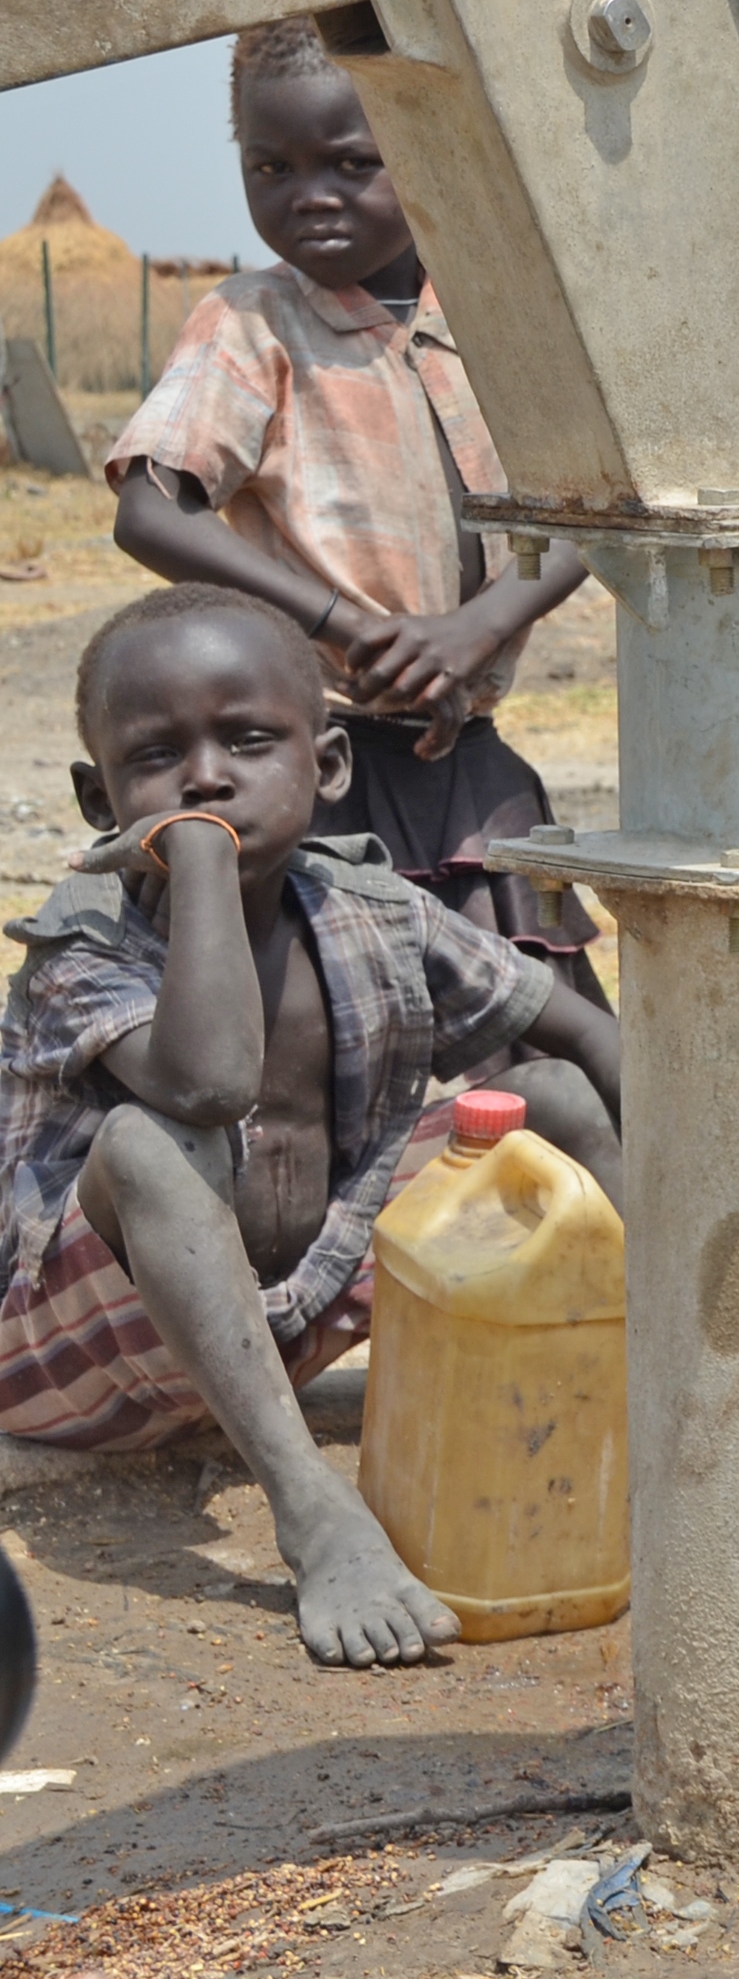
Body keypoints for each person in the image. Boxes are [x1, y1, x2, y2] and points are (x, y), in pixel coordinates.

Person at [0, 587, 623, 1667]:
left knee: (553, 1104)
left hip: (293, 1313)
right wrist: (197, 858)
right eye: (159, 758)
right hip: (77, 1357)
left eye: (247, 740)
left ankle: (661, 1416)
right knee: (152, 1141)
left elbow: (590, 1043)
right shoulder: (83, 949)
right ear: (100, 796)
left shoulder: (376, 909)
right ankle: (315, 1514)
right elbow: (205, 1082)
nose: (206, 775)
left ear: (327, 766)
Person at [107, 19, 604, 1001]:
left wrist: (479, 625)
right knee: (330, 1037)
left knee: (549, 1034)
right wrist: (342, 624)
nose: (310, 197)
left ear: (425, 153)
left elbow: (600, 507)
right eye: (272, 167)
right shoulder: (254, 324)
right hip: (317, 760)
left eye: (351, 163)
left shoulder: (502, 317)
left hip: (473, 755)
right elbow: (149, 508)